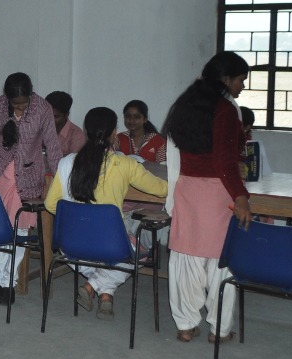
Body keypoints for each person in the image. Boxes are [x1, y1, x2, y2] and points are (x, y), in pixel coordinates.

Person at [44, 106, 168, 320]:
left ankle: (102, 293)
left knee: (100, 256)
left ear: (86, 131)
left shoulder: (66, 163)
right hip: (111, 245)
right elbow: (161, 190)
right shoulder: (124, 164)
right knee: (139, 250)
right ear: (114, 133)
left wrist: (75, 218)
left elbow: (50, 204)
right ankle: (95, 287)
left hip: (71, 245)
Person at [163, 51, 252, 343]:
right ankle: (219, 330)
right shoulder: (226, 110)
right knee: (220, 263)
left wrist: (172, 195)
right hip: (216, 193)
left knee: (186, 259)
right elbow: (225, 161)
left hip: (187, 188)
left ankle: (186, 326)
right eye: (240, 80)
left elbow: (173, 153)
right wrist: (240, 196)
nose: (242, 86)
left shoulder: (184, 104)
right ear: (225, 79)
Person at [0, 72, 62, 305]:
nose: (19, 108)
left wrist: (60, 177)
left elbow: (53, 146)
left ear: (31, 96)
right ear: (6, 98)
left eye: (23, 104)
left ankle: (9, 284)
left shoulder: (43, 109)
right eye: (15, 104)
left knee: (19, 231)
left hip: (25, 178)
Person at [116, 99, 167, 166]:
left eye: (137, 117)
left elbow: (163, 167)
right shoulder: (118, 138)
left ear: (145, 119)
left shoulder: (159, 141)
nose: (131, 120)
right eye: (128, 116)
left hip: (151, 176)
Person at [45, 90, 86, 155]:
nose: (50, 120)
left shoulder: (77, 136)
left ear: (66, 115)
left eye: (56, 116)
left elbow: (74, 162)